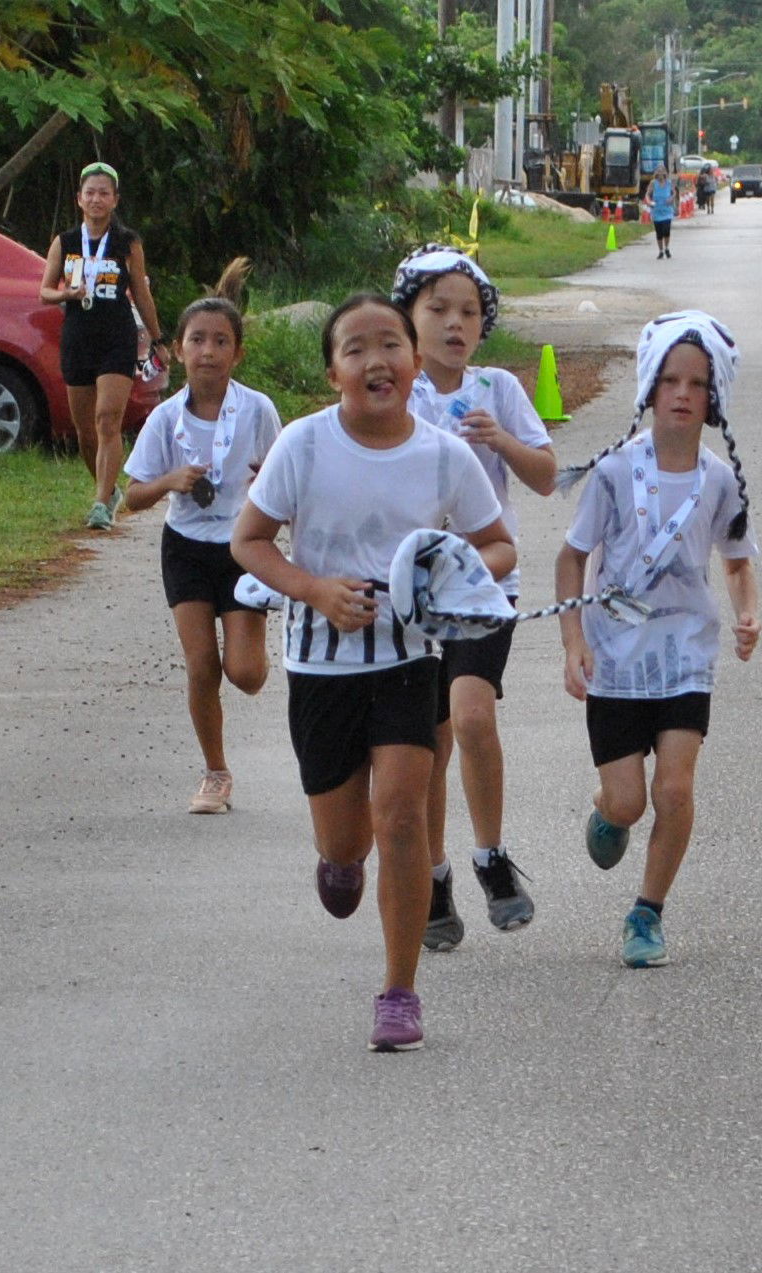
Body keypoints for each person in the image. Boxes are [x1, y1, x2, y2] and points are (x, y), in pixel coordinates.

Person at [231, 293, 515, 1052]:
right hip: (320, 670)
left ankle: (399, 992)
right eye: (354, 349)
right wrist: (314, 590)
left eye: (390, 344)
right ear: (333, 373)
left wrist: (444, 582)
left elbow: (498, 545)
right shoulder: (303, 445)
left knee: (402, 815)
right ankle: (338, 859)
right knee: (346, 841)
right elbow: (249, 541)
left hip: (407, 663)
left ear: (415, 363)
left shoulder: (444, 456)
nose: (375, 360)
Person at [555, 310, 760, 969]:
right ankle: (607, 812)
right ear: (649, 388)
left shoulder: (720, 480)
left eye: (696, 383)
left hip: (684, 657)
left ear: (713, 395)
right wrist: (572, 642)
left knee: (673, 790)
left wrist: (747, 613)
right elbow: (571, 557)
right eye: (669, 380)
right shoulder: (614, 472)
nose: (681, 394)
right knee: (629, 800)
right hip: (616, 660)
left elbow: (736, 560)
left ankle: (646, 912)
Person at [391, 245, 557, 951]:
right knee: (427, 740)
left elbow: (546, 476)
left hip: (486, 581)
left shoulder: (498, 389)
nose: (455, 324)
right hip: (409, 592)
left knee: (470, 715)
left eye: (469, 312)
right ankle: (433, 878)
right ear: (408, 315)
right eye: (438, 309)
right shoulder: (391, 388)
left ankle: (491, 857)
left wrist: (502, 442)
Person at [122, 261, 280, 814]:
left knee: (246, 675)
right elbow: (131, 497)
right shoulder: (165, 419)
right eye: (196, 340)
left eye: (220, 341)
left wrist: (268, 489)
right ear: (177, 350)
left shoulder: (258, 410)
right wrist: (169, 480)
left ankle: (254, 642)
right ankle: (215, 773)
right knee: (201, 665)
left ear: (238, 354)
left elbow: (283, 478)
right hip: (185, 547)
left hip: (243, 547)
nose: (207, 351)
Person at [40, 161, 168, 530]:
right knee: (85, 431)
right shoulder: (65, 242)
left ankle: (99, 504)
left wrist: (158, 339)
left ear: (115, 200)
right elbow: (45, 290)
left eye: (104, 193)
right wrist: (67, 294)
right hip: (78, 337)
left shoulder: (127, 242)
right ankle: (108, 489)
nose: (97, 199)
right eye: (90, 193)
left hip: (116, 337)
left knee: (107, 419)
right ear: (79, 199)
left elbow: (141, 292)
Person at [643, 164, 676, 259]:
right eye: (658, 171)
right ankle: (661, 251)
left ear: (665, 173)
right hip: (657, 210)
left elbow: (674, 192)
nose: (660, 173)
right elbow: (647, 194)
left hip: (667, 210)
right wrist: (649, 201)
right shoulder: (653, 183)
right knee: (659, 232)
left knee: (666, 230)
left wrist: (671, 198)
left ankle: (667, 248)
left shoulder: (669, 183)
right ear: (656, 173)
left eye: (662, 171)